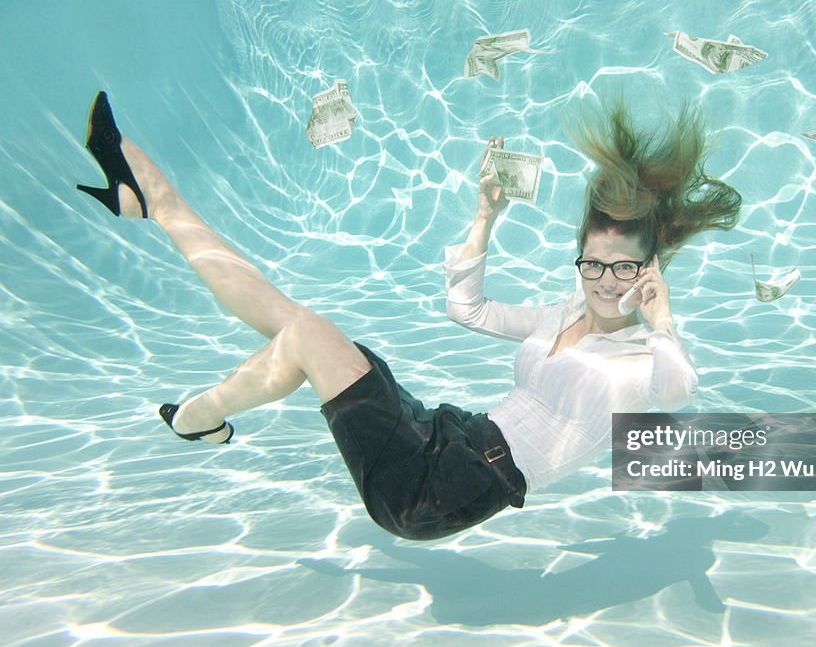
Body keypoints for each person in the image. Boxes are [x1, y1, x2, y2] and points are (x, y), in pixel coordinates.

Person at [74, 91, 741, 541]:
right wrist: (486, 217)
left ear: (650, 271)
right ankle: (152, 200)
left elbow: (678, 389)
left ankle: (195, 418)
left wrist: (663, 320)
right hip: (445, 429)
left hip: (438, 490)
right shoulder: (565, 311)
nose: (604, 282)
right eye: (593, 264)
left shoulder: (642, 361)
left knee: (305, 334)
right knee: (295, 319)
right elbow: (467, 308)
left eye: (625, 268)